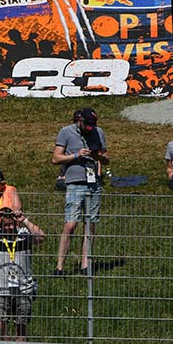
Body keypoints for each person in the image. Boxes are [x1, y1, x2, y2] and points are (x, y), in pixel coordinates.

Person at [51, 107, 109, 276]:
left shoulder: (98, 132)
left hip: (93, 184)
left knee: (90, 225)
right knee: (70, 224)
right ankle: (60, 266)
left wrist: (98, 157)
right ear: (80, 121)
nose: (90, 129)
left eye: (93, 125)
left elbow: (106, 158)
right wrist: (76, 155)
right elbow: (55, 158)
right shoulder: (66, 132)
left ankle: (86, 265)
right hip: (74, 183)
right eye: (88, 125)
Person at [0, 206, 45, 342]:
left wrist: (24, 220)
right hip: (0, 289)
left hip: (23, 289)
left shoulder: (24, 234)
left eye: (11, 224)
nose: (9, 228)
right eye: (5, 225)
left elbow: (41, 237)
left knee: (21, 328)